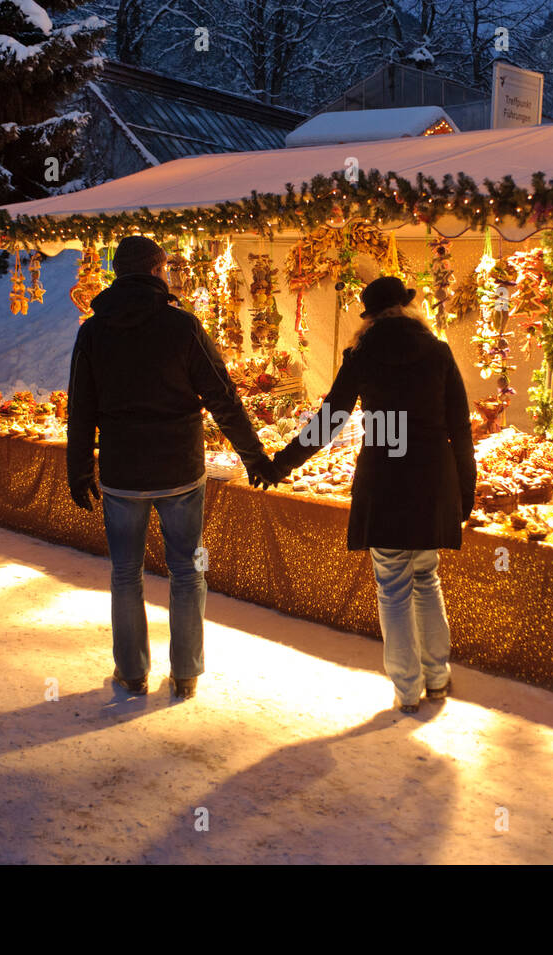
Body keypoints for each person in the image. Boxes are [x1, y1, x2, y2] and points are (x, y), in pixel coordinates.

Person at [66, 235, 282, 699]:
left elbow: (81, 408)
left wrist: (79, 468)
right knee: (188, 570)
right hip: (179, 469)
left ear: (118, 273)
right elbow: (222, 397)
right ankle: (185, 672)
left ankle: (132, 673)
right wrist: (254, 456)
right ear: (158, 269)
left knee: (125, 574)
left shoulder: (93, 331)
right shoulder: (182, 326)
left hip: (123, 472)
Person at [269, 277, 476, 713]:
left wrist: (282, 463)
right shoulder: (437, 352)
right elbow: (460, 426)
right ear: (407, 308)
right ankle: (437, 678)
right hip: (431, 478)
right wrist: (465, 490)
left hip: (385, 477)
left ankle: (407, 691)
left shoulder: (361, 355)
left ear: (369, 316)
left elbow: (329, 421)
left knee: (394, 588)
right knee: (426, 577)